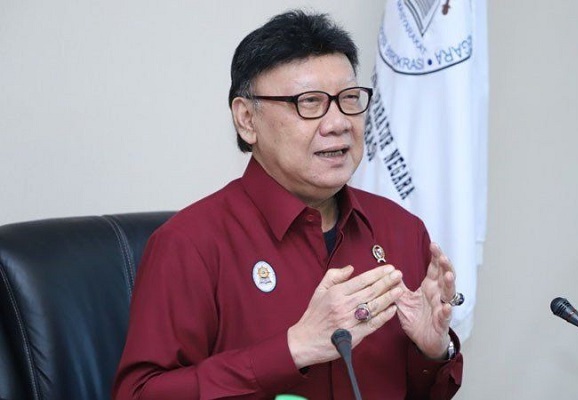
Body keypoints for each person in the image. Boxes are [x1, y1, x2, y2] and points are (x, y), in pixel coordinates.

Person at [113, 10, 464, 400]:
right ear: (247, 119)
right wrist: (294, 348)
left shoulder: (401, 230)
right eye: (309, 102)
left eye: (349, 99)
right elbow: (139, 394)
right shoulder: (190, 244)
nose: (338, 123)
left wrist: (432, 352)